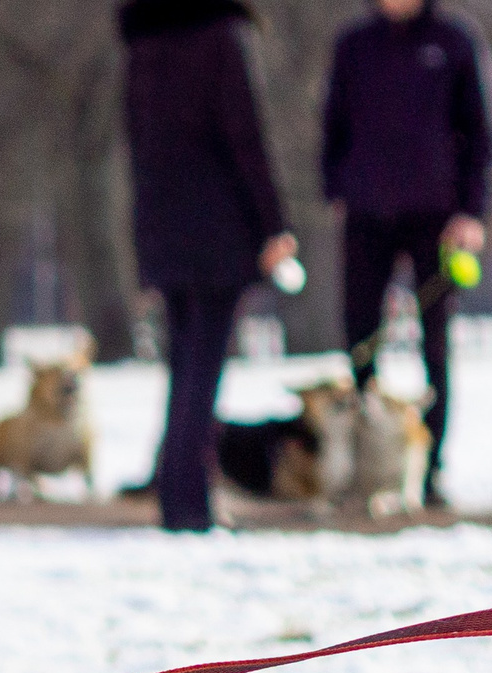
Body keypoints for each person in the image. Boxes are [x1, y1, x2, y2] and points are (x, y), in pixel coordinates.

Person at [120, 0, 297, 534]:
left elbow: (137, 146)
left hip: (163, 225)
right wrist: (273, 224)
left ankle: (178, 496)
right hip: (219, 225)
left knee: (183, 367)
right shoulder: (223, 38)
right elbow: (245, 136)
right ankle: (190, 505)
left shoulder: (141, 45)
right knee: (203, 370)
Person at [322, 0, 492, 510]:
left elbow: (482, 134)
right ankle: (359, 464)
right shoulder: (353, 44)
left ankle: (430, 466)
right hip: (366, 213)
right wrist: (337, 188)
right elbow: (333, 125)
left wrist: (472, 211)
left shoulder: (454, 40)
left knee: (435, 343)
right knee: (359, 337)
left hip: (436, 215)